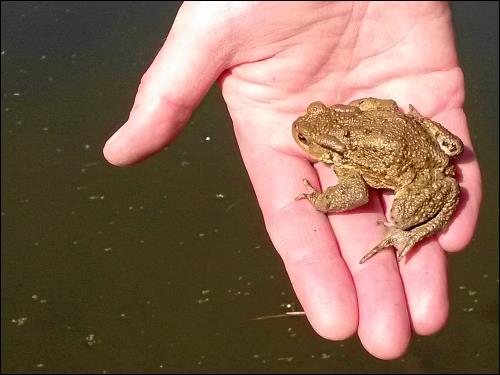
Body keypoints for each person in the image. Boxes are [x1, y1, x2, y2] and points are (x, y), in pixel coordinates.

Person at [103, 1, 482, 360]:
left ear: (328, 151)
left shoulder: (348, 157)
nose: (301, 130)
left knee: (400, 215)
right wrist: (408, 123)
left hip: (421, 174)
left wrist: (319, 201)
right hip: (423, 140)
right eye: (312, 121)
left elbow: (353, 192)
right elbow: (384, 108)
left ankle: (413, 230)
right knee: (439, 149)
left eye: (308, 140)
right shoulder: (357, 112)